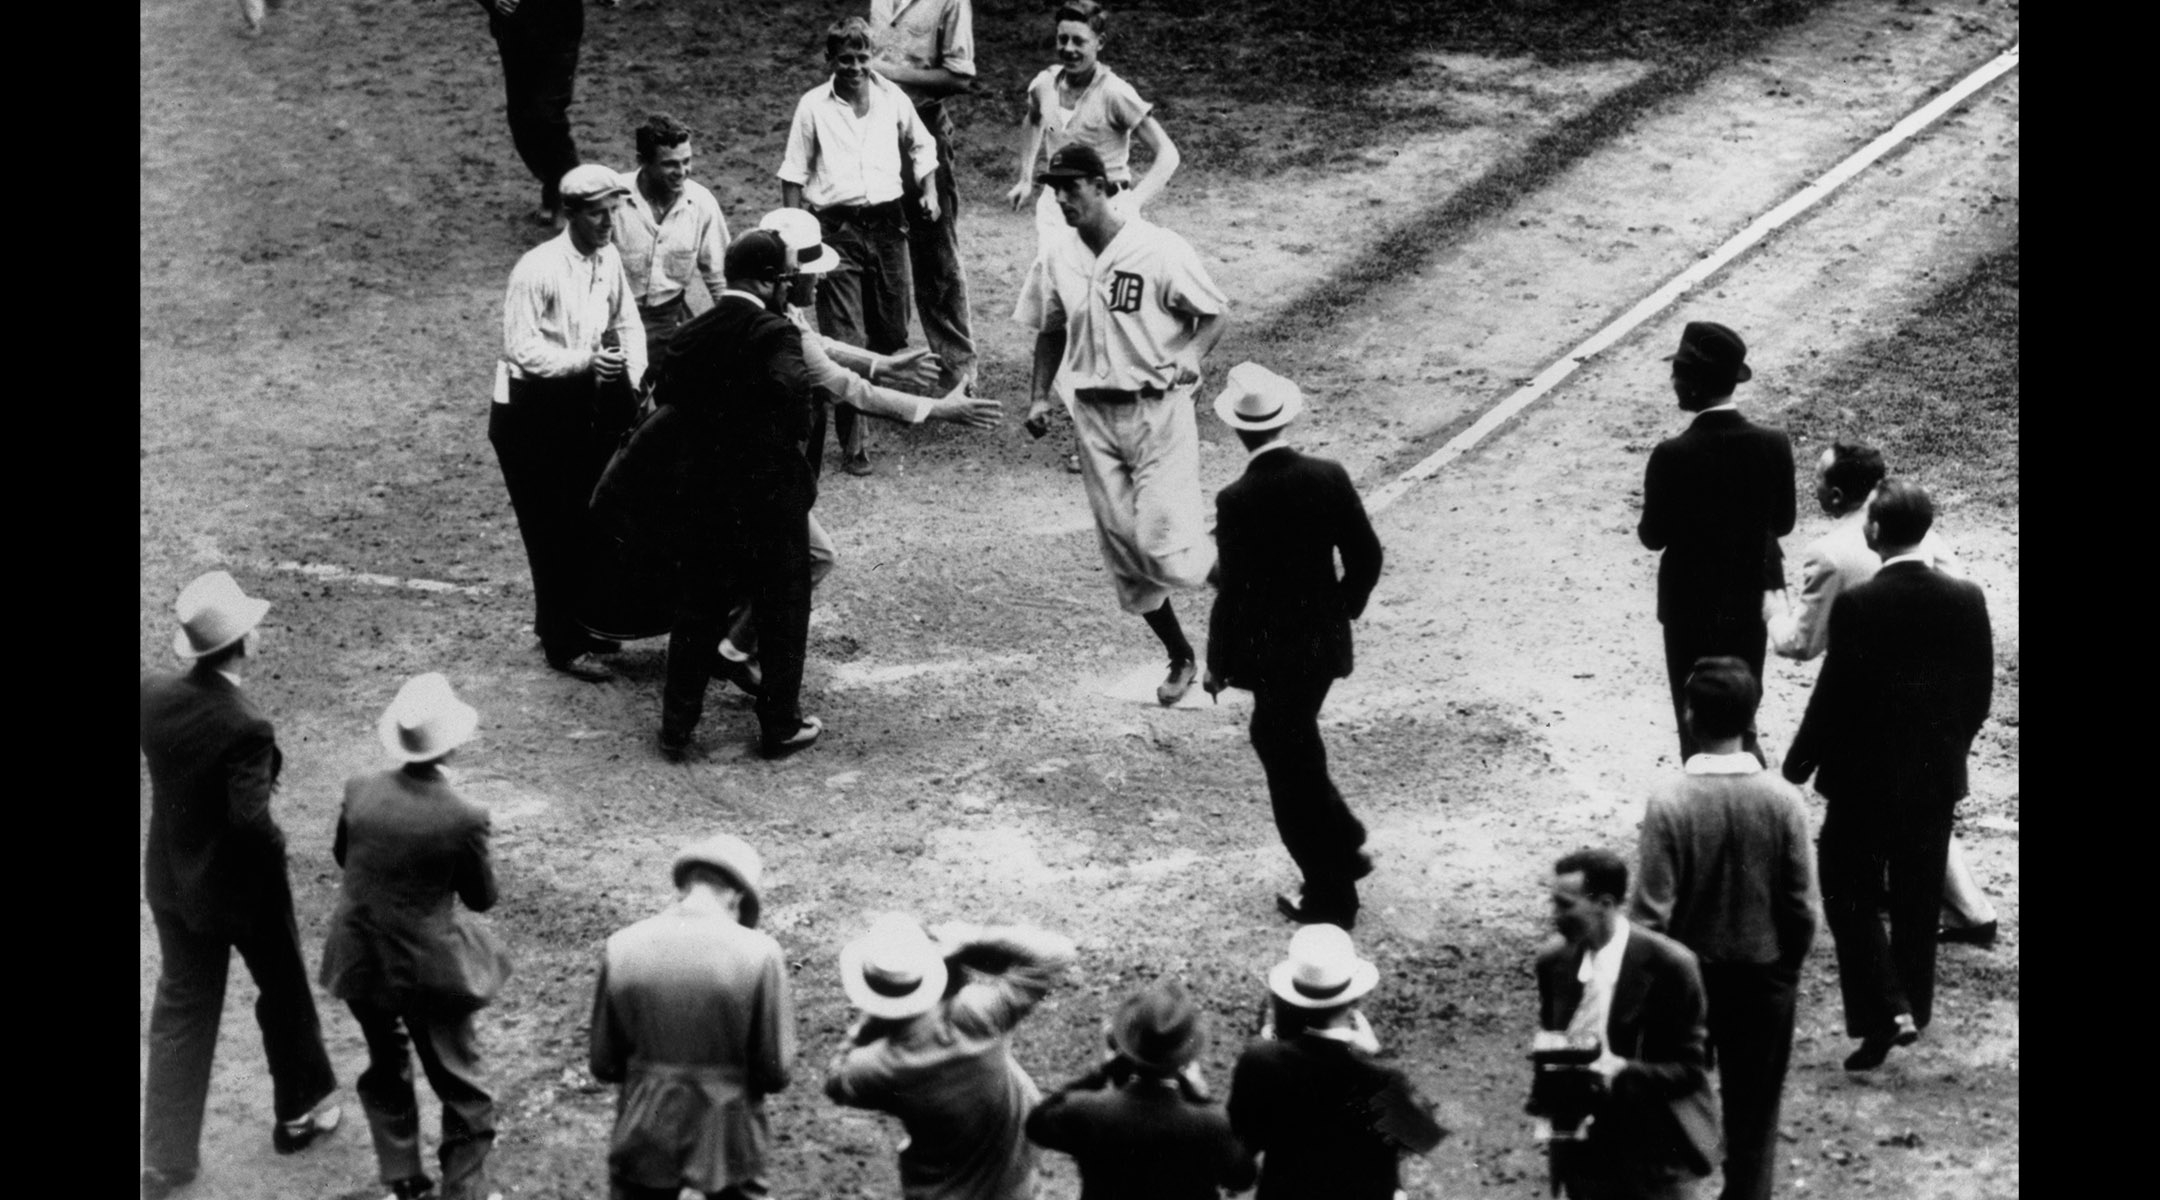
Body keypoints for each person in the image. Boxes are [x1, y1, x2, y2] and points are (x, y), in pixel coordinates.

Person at [702, 208, 1004, 697]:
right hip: (752, 470)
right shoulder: (773, 327)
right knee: (813, 556)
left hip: (732, 461)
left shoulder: (770, 310)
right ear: (784, 277)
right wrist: (939, 411)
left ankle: (731, 641)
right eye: (812, 273)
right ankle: (733, 648)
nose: (821, 282)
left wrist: (881, 363)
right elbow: (848, 390)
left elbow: (818, 343)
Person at [141, 572, 341, 1200]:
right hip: (245, 892)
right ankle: (299, 1113)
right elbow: (252, 822)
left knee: (182, 1009)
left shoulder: (152, 693)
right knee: (282, 993)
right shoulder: (246, 724)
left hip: (173, 879)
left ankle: (166, 1158)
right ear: (241, 644)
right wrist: (279, 857)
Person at [1781, 481, 1994, 1071]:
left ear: (1874, 530)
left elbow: (1836, 695)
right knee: (1918, 897)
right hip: (1934, 777)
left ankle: (1886, 1010)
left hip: (1862, 778)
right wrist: (1949, 751)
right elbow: (1979, 696)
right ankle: (1910, 1009)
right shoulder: (1966, 598)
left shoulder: (1861, 605)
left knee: (1847, 889)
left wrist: (1800, 760)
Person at [1016, 143, 1228, 705]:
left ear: (1102, 184)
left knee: (1164, 543)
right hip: (1093, 416)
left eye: (1070, 187)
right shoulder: (1059, 255)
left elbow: (1213, 313)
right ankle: (1182, 654)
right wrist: (1039, 397)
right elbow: (1049, 327)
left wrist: (1193, 355)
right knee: (1127, 560)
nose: (1060, 198)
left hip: (1157, 411)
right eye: (1053, 188)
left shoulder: (1157, 248)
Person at [1767, 441, 1999, 946]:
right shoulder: (1920, 533)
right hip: (1940, 700)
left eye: (1821, 481)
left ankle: (1952, 917)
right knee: (1924, 809)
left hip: (1875, 703)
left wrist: (1772, 611)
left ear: (1837, 493)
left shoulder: (1832, 552)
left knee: (1864, 831)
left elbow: (1802, 644)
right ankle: (1967, 909)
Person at [1201, 364, 1382, 929]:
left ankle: (1332, 894)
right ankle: (1346, 841)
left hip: (1272, 656)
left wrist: (1217, 664)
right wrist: (1340, 609)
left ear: (1238, 430)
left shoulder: (1237, 498)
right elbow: (1367, 557)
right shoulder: (1328, 475)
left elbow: (1233, 593)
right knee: (1293, 745)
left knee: (1289, 765)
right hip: (1322, 648)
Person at [319, 673, 513, 1200]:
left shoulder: (360, 789)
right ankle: (463, 1190)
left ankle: (402, 1178)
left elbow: (343, 856)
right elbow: (482, 898)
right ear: (452, 742)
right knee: (463, 1086)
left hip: (359, 956)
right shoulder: (464, 814)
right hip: (428, 969)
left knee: (385, 1065)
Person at [1630, 659, 1816, 1200]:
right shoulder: (1783, 799)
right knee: (1755, 1113)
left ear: (1690, 717)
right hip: (1762, 976)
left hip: (1687, 982)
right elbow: (1802, 905)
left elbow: (1650, 915)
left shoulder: (1671, 802)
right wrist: (1785, 967)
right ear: (1750, 717)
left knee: (1677, 1100)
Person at [644, 229, 824, 759]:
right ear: (767, 281)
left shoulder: (690, 332)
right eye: (786, 280)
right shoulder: (775, 334)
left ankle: (676, 727)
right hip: (769, 495)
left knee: (698, 607)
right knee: (783, 608)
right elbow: (794, 402)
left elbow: (670, 400)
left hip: (704, 491)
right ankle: (779, 725)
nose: (789, 289)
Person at [1005, 1, 1182, 473]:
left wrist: (1133, 201)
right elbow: (1032, 120)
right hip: (1057, 211)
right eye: (1062, 39)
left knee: (1109, 313)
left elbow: (1168, 154)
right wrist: (1026, 175)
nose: (1068, 48)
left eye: (1079, 41)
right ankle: (1061, 410)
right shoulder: (1045, 84)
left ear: (1099, 43)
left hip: (1108, 213)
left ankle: (1132, 413)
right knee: (1060, 309)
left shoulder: (1115, 93)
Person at [492, 163, 646, 682]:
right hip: (529, 414)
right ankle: (560, 641)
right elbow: (521, 347)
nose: (609, 222)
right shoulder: (536, 268)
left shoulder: (607, 260)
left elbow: (626, 320)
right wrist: (586, 362)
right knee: (549, 527)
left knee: (588, 517)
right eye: (599, 214)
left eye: (614, 211)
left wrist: (634, 371)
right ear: (572, 214)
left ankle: (584, 622)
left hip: (582, 405)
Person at [779, 16, 944, 476]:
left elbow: (923, 145)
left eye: (862, 58)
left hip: (889, 226)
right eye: (845, 59)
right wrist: (796, 233)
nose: (854, 67)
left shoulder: (892, 97)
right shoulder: (812, 106)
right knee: (844, 335)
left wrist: (928, 190)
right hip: (839, 230)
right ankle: (854, 443)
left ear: (873, 58)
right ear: (829, 60)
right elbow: (793, 173)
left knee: (892, 328)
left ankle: (887, 405)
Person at [589, 834, 795, 1200]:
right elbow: (775, 1072)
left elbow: (604, 1064)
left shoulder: (621, 946)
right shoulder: (762, 954)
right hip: (729, 1146)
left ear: (685, 885)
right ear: (736, 893)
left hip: (644, 1141)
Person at [826, 913, 1078, 1200]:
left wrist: (865, 1024)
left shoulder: (878, 1066)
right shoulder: (974, 1017)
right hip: (1014, 1187)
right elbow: (1056, 953)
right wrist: (971, 940)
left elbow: (836, 1080)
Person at [1636, 320, 1794, 763]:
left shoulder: (1672, 454)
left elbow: (1652, 537)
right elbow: (1782, 523)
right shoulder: (1774, 443)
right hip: (1749, 602)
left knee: (1696, 722)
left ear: (1690, 383)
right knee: (1741, 712)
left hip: (1690, 608)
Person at [1537, 848, 1718, 1200]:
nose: (1554, 916)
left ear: (1604, 904)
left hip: (1657, 1151)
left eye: (1564, 904)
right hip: (1586, 1155)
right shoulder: (1553, 961)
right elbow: (1552, 1054)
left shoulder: (1671, 966)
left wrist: (1620, 1071)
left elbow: (1689, 1070)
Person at [1227, 924, 1445, 1200]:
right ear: (1354, 998)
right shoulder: (1378, 1077)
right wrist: (1377, 1057)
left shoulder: (1259, 1060)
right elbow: (1424, 1136)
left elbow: (1243, 1151)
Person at [1025, 980, 1256, 1199]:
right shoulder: (1213, 1124)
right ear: (1185, 1056)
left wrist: (1101, 1071)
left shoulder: (1086, 1110)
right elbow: (1243, 1178)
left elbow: (1036, 1125)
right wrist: (1202, 1097)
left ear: (1126, 1046)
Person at [869, 0, 980, 396]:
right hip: (873, 130)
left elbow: (961, 77)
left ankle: (957, 373)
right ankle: (885, 366)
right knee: (878, 249)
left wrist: (889, 73)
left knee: (935, 255)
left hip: (925, 129)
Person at [474, 0, 616, 223]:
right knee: (522, 118)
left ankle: (578, 200)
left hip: (560, 25)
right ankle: (554, 189)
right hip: (515, 29)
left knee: (547, 113)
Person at [611, 113, 731, 363]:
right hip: (612, 321)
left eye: (686, 161)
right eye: (670, 164)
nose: (682, 172)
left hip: (669, 319)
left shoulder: (702, 203)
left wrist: (735, 327)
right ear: (642, 161)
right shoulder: (612, 202)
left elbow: (720, 277)